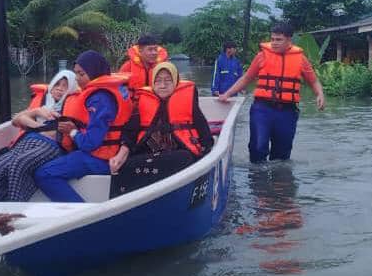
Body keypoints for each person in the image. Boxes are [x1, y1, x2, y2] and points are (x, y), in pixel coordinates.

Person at [218, 21, 325, 163]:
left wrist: (320, 94)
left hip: (287, 111)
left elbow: (314, 81)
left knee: (281, 155)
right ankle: (257, 175)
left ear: (289, 40)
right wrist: (227, 94)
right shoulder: (261, 56)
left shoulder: (301, 59)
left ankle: (278, 177)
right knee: (258, 147)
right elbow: (246, 78)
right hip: (262, 108)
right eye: (272, 39)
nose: (274, 43)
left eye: (279, 40)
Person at [33, 51, 132, 202]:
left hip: (101, 159)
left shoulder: (100, 99)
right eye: (76, 74)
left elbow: (90, 143)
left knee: (44, 174)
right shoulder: (108, 92)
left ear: (94, 73)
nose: (77, 79)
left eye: (81, 74)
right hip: (104, 153)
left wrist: (72, 131)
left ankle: (81, 210)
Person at [109, 62, 213, 197]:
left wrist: (205, 152)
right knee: (124, 165)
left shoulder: (189, 103)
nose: (162, 85)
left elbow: (205, 135)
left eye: (168, 81)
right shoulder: (143, 103)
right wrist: (120, 156)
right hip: (149, 155)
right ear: (152, 83)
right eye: (158, 81)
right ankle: (122, 203)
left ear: (176, 82)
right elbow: (130, 134)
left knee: (184, 158)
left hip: (178, 154)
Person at [0, 69, 77, 201]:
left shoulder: (75, 105)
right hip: (29, 141)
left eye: (65, 86)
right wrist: (35, 113)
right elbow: (16, 120)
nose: (60, 88)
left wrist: (35, 123)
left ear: (71, 88)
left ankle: (15, 206)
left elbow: (70, 131)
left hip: (52, 147)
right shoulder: (42, 104)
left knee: (18, 165)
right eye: (57, 84)